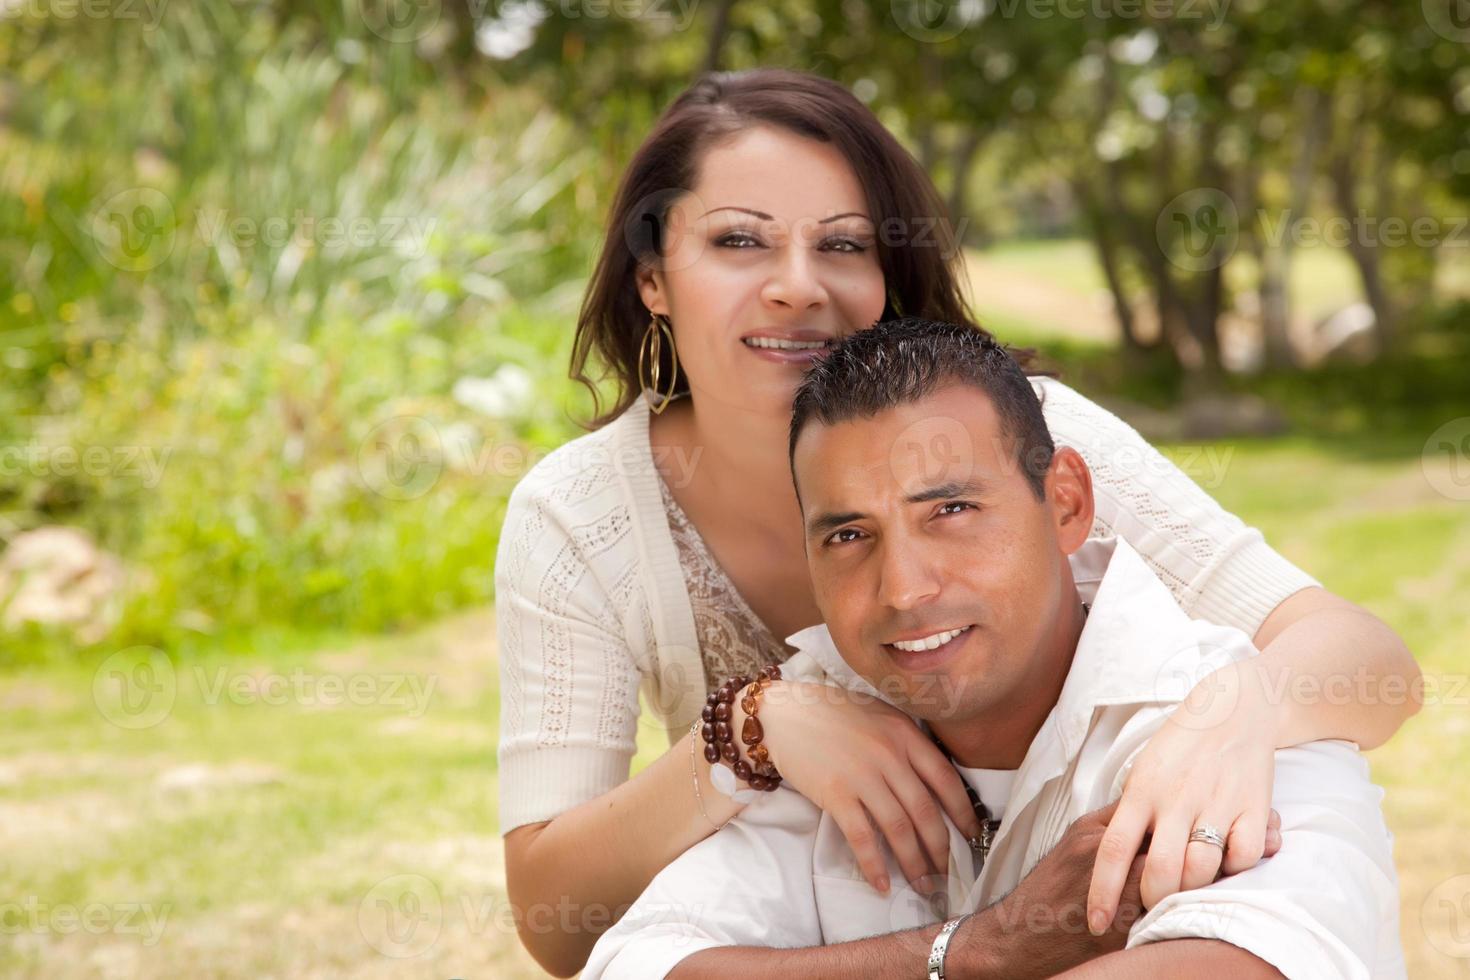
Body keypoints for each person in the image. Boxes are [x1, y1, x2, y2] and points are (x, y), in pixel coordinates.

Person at [495, 68, 1420, 976]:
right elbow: (559, 923)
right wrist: (754, 735)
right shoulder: (582, 516)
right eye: (740, 242)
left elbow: (1364, 659)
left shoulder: (1025, 430)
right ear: (652, 278)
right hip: (820, 919)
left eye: (845, 246)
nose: (797, 286)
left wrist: (1231, 715)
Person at [581, 318, 1406, 980]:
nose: (902, 588)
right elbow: (640, 961)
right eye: (849, 534)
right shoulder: (830, 731)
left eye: (952, 512)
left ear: (1068, 505)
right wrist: (982, 950)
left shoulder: (1235, 739)